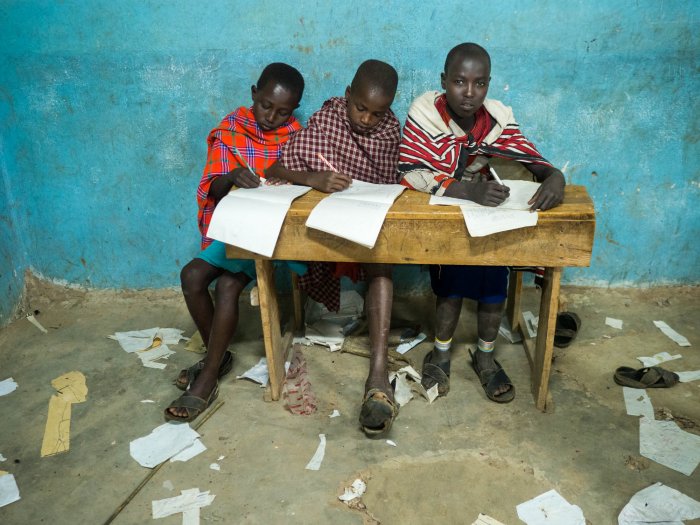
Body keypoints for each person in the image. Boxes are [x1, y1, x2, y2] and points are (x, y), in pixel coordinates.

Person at [398, 43, 565, 403]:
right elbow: (410, 172)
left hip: (489, 218)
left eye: (480, 83)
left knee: (493, 289)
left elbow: (530, 159)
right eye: (459, 81)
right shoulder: (425, 113)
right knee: (451, 288)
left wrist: (554, 176)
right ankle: (440, 353)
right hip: (446, 216)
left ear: (488, 84)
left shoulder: (497, 119)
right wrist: (467, 192)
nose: (469, 93)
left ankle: (485, 357)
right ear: (444, 80)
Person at [267, 59, 401, 436]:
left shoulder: (391, 132)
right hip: (326, 222)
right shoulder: (327, 122)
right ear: (347, 97)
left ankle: (378, 375)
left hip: (368, 221)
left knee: (382, 260)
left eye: (378, 113)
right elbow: (276, 170)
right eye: (360, 108)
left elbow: (393, 182)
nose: (367, 120)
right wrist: (313, 177)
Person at [166, 63, 305, 422]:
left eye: (283, 112)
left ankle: (208, 377)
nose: (272, 117)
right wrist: (229, 177)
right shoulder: (231, 129)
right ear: (254, 92)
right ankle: (220, 354)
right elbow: (210, 188)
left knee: (228, 286)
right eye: (266, 106)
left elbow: (301, 190)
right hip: (233, 229)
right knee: (191, 277)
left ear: (295, 110)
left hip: (269, 235)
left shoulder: (296, 136)